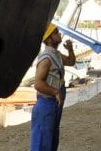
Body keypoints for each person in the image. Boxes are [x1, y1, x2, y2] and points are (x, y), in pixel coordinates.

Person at [31, 23, 76, 151]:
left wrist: (70, 49)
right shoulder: (46, 59)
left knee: (51, 142)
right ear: (49, 39)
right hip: (46, 104)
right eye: (56, 33)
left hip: (54, 105)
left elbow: (71, 62)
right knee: (41, 143)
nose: (59, 34)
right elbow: (38, 84)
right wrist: (56, 92)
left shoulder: (56, 54)